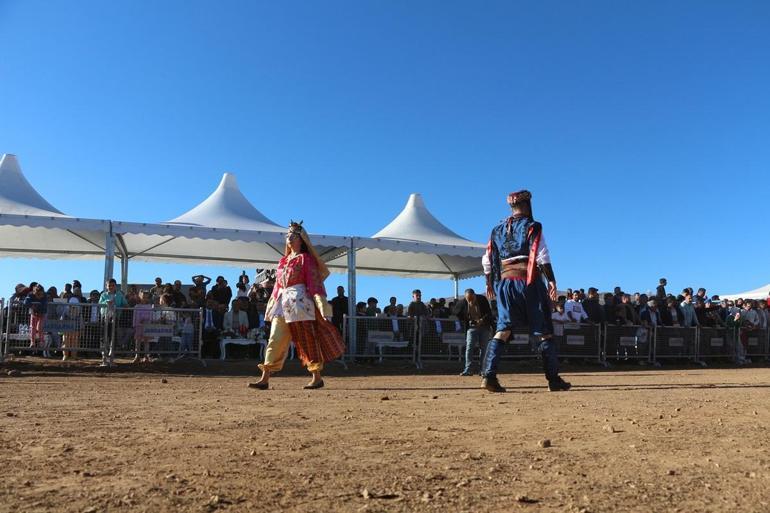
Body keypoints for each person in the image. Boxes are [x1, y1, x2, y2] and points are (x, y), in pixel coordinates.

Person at [481, 190, 570, 393]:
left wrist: (489, 284)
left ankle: (489, 375)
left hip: (504, 284)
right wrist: (552, 281)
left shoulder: (496, 230)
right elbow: (542, 256)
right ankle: (553, 380)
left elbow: (487, 261)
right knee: (543, 332)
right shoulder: (533, 226)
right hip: (528, 282)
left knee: (503, 330)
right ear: (528, 204)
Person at [249, 222, 345, 390]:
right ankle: (265, 377)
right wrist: (271, 306)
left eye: (292, 235)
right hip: (283, 302)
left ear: (301, 239)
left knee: (306, 339)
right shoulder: (283, 261)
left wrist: (322, 305)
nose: (289, 238)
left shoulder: (305, 259)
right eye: (287, 236)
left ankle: (317, 376)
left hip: (301, 303)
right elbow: (278, 286)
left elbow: (314, 283)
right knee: (275, 338)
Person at [452, 288, 493, 376]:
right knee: (469, 347)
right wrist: (465, 318)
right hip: (471, 328)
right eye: (468, 299)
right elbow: (455, 311)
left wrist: (482, 320)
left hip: (484, 327)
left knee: (484, 348)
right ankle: (468, 369)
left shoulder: (482, 299)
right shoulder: (463, 302)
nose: (470, 301)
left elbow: (489, 313)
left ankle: (482, 369)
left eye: (472, 299)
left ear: (475, 295)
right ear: (465, 297)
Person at [24, 284, 49, 357]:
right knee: (33, 327)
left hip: (42, 314)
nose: (39, 296)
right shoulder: (31, 295)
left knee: (40, 327)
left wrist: (40, 309)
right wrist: (32, 305)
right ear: (35, 292)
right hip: (33, 313)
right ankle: (32, 342)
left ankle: (41, 341)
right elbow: (26, 302)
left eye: (40, 294)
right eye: (38, 294)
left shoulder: (44, 296)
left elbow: (44, 306)